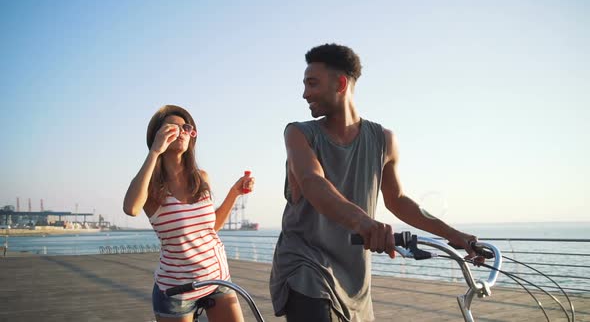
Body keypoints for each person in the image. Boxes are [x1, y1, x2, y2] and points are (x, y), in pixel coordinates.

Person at [269, 44, 482, 322]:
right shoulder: (299, 133)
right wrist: (364, 223)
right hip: (305, 265)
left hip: (354, 273)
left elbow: (398, 201)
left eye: (312, 83)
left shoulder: (384, 140)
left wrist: (454, 236)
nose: (305, 93)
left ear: (341, 83)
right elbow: (312, 182)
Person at [123, 105, 254, 322]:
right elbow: (131, 208)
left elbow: (210, 229)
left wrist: (234, 193)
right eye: (172, 127)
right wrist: (155, 151)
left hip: (217, 280)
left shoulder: (201, 178)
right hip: (177, 290)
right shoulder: (152, 187)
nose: (182, 131)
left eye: (186, 127)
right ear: (158, 135)